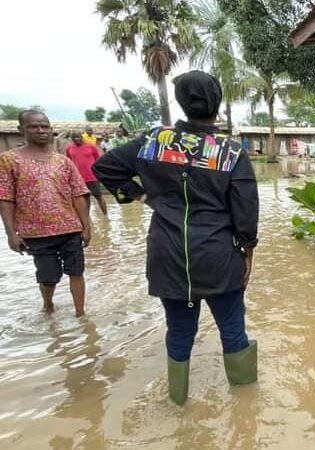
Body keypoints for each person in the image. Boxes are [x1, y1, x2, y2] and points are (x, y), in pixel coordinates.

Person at [93, 70, 259, 405]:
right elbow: (246, 210)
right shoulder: (230, 151)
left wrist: (142, 196)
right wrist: (247, 249)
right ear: (217, 102)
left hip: (167, 256)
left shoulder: (153, 142)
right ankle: (246, 412)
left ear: (182, 103)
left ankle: (178, 403)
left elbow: (105, 168)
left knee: (180, 330)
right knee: (232, 328)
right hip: (217, 256)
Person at [0, 111, 92, 317]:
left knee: (76, 272)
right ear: (21, 130)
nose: (41, 131)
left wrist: (87, 226)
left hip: (70, 228)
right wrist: (10, 233)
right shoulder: (8, 160)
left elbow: (79, 194)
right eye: (34, 126)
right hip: (35, 232)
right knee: (48, 276)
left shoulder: (63, 162)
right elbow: (5, 198)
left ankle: (81, 314)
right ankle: (48, 305)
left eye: (45, 126)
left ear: (51, 130)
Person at [66, 132, 108, 215]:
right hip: (79, 179)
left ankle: (106, 216)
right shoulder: (69, 148)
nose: (76, 139)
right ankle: (87, 218)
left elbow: (97, 160)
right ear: (72, 139)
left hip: (92, 177)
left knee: (99, 196)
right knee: (85, 199)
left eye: (78, 137)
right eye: (74, 137)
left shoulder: (91, 146)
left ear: (81, 137)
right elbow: (69, 161)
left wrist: (98, 173)